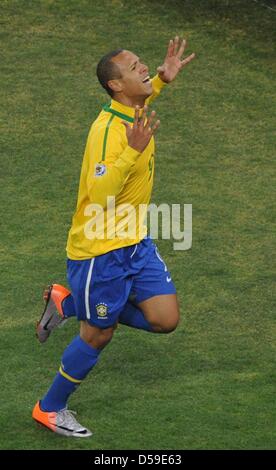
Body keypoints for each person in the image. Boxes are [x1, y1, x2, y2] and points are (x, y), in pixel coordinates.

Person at [32, 37, 195, 437]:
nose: (144, 67)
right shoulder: (108, 131)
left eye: (142, 62)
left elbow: (141, 97)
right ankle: (49, 408)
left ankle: (70, 301)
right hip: (99, 251)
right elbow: (100, 194)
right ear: (115, 86)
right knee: (99, 332)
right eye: (135, 67)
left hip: (134, 241)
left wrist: (162, 80)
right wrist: (131, 153)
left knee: (165, 319)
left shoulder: (132, 109)